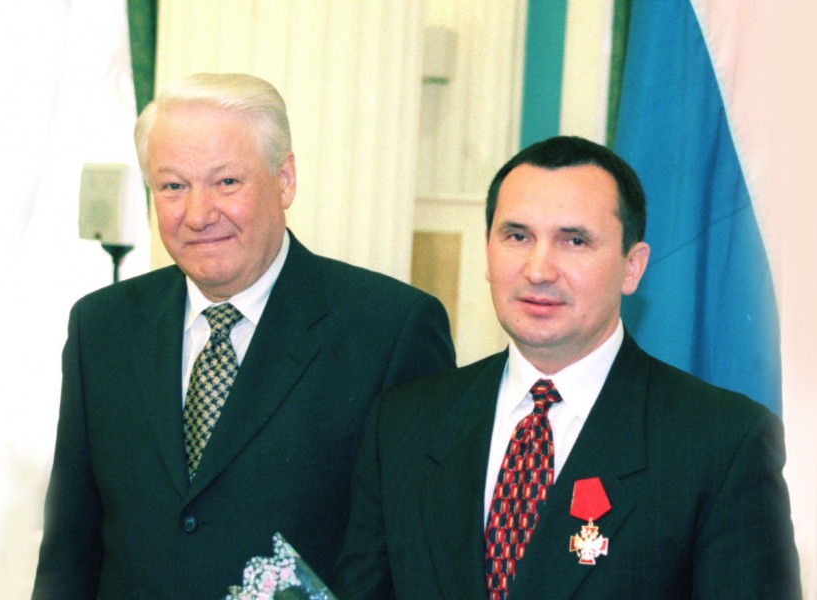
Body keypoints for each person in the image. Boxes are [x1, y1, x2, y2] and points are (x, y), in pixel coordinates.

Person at [31, 73, 456, 599]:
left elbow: (414, 556)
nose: (198, 214)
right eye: (173, 187)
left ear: (285, 180)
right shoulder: (102, 327)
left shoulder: (389, 330)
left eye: (227, 182)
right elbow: (69, 547)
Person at [331, 136, 801, 599]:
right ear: (488, 251)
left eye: (574, 241)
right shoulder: (403, 426)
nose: (538, 270)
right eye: (517, 237)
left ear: (632, 267)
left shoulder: (722, 443)